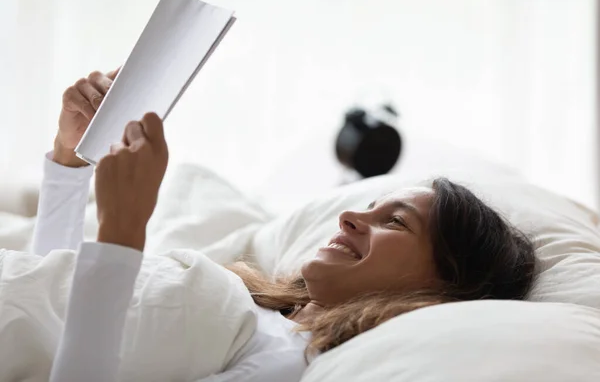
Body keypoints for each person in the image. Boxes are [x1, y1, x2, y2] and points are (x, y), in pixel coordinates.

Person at [35, 70, 537, 381]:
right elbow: (44, 308)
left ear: (440, 287)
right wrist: (68, 161)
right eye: (372, 204)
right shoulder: (255, 309)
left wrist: (123, 231)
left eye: (396, 223)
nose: (349, 216)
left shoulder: (284, 359)